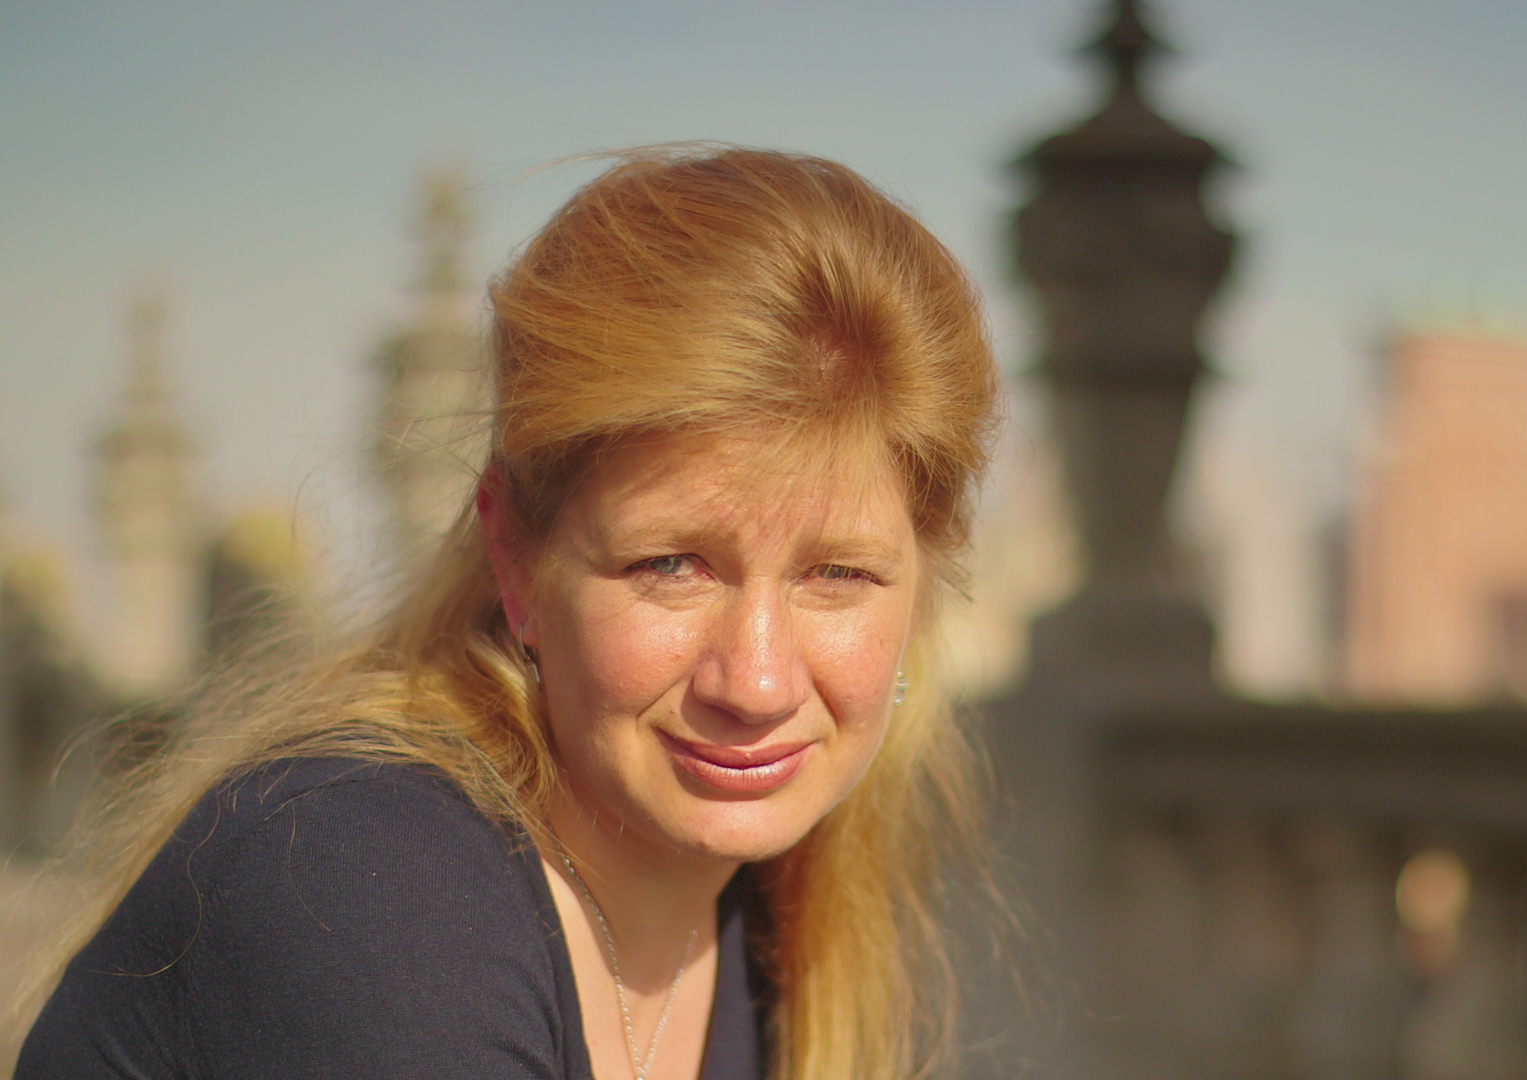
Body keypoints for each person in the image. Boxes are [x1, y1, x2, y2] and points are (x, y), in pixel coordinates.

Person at [15, 145, 1002, 1080]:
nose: (754, 681)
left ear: (924, 585)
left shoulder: (787, 941)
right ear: (515, 560)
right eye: (671, 566)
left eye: (837, 576)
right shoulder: (363, 883)